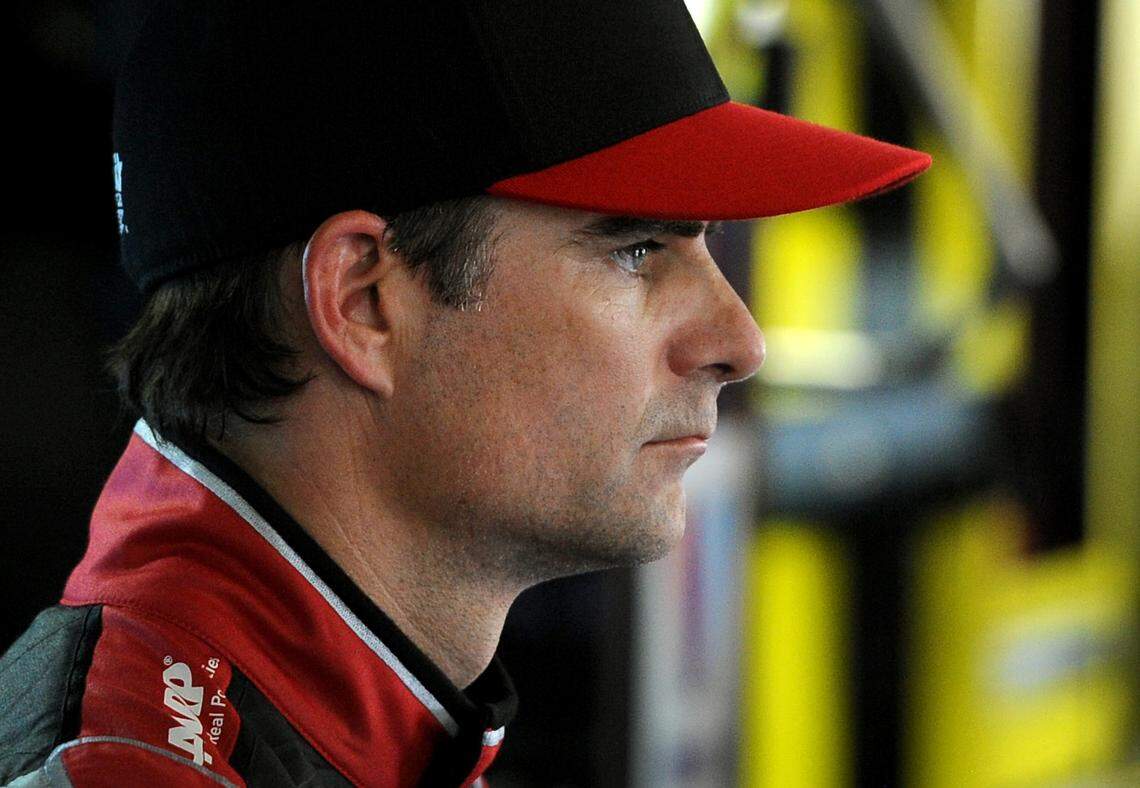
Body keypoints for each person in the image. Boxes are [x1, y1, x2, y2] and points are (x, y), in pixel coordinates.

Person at [0, 1, 929, 786]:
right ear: (363, 302)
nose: (741, 342)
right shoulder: (137, 767)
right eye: (635, 249)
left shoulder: (356, 728)